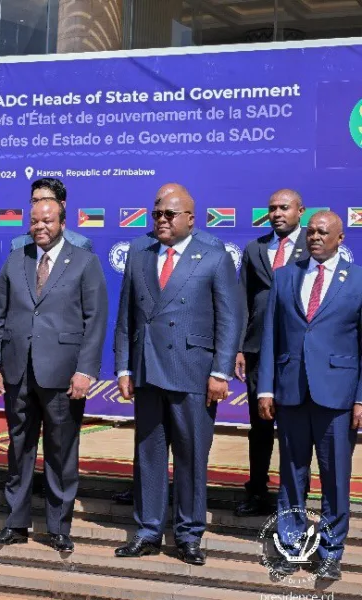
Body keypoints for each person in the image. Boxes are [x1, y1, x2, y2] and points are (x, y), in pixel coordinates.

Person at [113, 187, 241, 566]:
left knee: (191, 457)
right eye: (157, 215)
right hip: (148, 371)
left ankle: (188, 534)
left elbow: (229, 319)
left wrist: (220, 371)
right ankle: (148, 530)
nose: (162, 221)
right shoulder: (140, 254)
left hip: (193, 373)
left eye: (170, 214)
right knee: (149, 456)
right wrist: (124, 367)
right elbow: (126, 318)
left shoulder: (214, 257)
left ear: (190, 218)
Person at [0, 199, 108, 553]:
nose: (40, 227)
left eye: (48, 221)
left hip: (63, 375)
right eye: (35, 221)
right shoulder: (16, 259)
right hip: (17, 372)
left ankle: (58, 527)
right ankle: (15, 523)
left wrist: (85, 371)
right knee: (19, 448)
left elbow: (95, 321)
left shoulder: (84, 262)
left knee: (61, 450)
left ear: (63, 223)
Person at [257, 211, 362, 582]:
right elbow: (271, 336)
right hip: (291, 393)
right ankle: (292, 546)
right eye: (311, 231)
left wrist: (360, 398)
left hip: (338, 395)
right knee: (291, 475)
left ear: (340, 238)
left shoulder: (358, 280)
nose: (315, 237)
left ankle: (331, 552)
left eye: (323, 232)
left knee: (335, 478)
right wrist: (266, 388)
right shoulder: (285, 276)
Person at [233, 189, 306, 518]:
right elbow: (243, 301)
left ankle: (294, 497)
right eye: (273, 208)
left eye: (284, 208)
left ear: (300, 211)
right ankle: (257, 491)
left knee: (295, 429)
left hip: (296, 352)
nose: (277, 213)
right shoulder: (255, 248)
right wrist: (239, 347)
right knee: (259, 427)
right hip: (258, 350)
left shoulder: (313, 246)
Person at [10, 178, 92, 252]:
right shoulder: (18, 245)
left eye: (46, 200)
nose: (40, 205)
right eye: (35, 201)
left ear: (62, 205)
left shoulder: (79, 244)